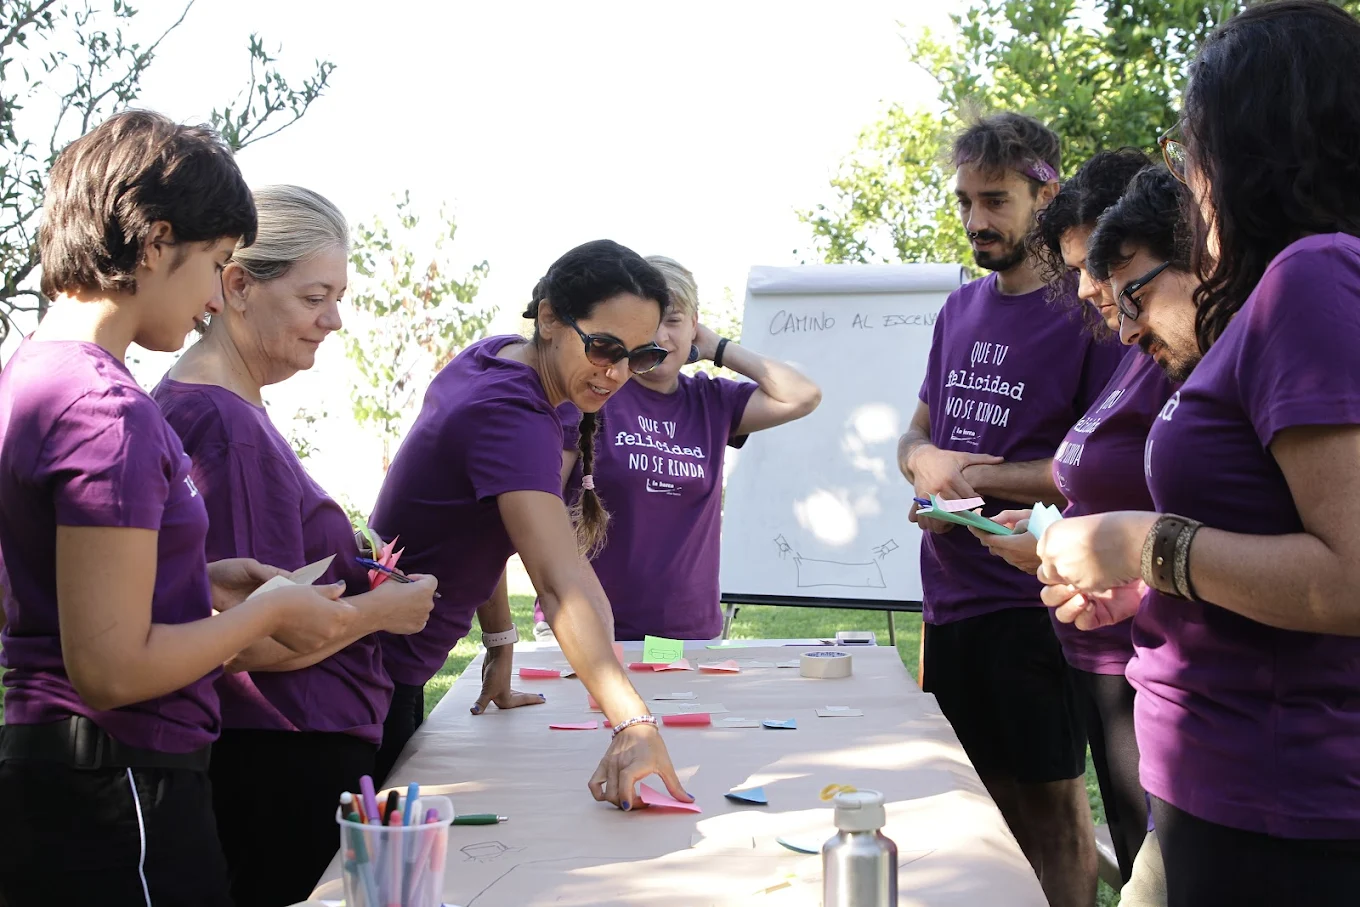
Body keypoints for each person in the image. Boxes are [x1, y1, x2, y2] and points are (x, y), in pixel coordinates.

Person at [1037, 3, 1360, 903]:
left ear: (1252, 142)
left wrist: (1142, 544)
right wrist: (1151, 584)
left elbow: (1349, 578)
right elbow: (1276, 538)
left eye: (1192, 147)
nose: (1188, 176)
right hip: (1220, 786)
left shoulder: (1315, 273)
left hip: (1275, 809)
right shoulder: (1290, 288)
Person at [0, 111, 354, 907]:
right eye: (217, 263)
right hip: (121, 782)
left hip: (64, 772)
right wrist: (265, 612)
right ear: (156, 243)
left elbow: (60, 588)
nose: (209, 300)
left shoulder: (32, 371)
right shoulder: (105, 409)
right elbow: (111, 666)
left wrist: (197, 575)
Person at [152, 185, 438, 906]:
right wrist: (385, 612)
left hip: (286, 749)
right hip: (279, 756)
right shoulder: (222, 425)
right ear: (239, 286)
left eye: (337, 296)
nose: (334, 319)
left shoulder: (226, 408)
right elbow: (246, 642)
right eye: (316, 296)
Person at [368, 239, 692, 809]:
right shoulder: (508, 412)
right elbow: (559, 581)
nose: (616, 373)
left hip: (386, 663)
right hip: (367, 681)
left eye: (638, 357)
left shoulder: (500, 359)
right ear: (548, 318)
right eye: (603, 347)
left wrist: (499, 642)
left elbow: (486, 525)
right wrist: (633, 722)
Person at [896, 112, 1124, 907]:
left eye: (994, 200)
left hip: (1038, 603)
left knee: (1054, 815)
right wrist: (925, 464)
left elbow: (1102, 467)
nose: (974, 221)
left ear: (1044, 192)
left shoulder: (1091, 310)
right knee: (975, 815)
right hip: (950, 602)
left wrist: (983, 478)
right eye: (964, 201)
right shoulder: (958, 310)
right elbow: (917, 434)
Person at [968, 150, 1170, 887]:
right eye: (1076, 269)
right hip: (1103, 643)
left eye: (1102, 267)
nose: (1088, 291)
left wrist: (1070, 537)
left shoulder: (1173, 347)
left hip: (1153, 663)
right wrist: (1053, 530)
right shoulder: (1131, 345)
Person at [532, 255, 821, 641]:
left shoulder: (713, 401)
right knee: (600, 705)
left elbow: (803, 395)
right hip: (584, 624)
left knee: (679, 703)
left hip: (685, 634)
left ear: (694, 326)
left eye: (674, 321)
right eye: (649, 325)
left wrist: (718, 347)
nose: (661, 338)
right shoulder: (596, 392)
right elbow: (543, 507)